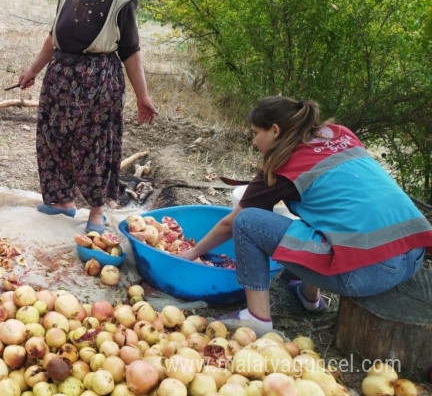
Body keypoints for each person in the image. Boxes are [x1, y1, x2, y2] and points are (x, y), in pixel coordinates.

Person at [177, 96, 431, 334]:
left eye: (256, 133)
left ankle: (257, 318)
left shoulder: (282, 162)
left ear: (275, 130)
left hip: (369, 273)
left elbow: (230, 223)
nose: (254, 142)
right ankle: (309, 298)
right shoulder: (340, 134)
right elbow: (340, 206)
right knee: (321, 212)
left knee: (247, 221)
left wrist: (191, 253)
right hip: (413, 254)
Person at [17, 0, 157, 233]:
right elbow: (53, 35)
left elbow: (130, 51)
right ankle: (62, 201)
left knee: (96, 147)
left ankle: (96, 210)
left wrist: (143, 96)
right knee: (52, 139)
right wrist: (33, 70)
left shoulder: (122, 2)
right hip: (60, 78)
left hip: (99, 84)